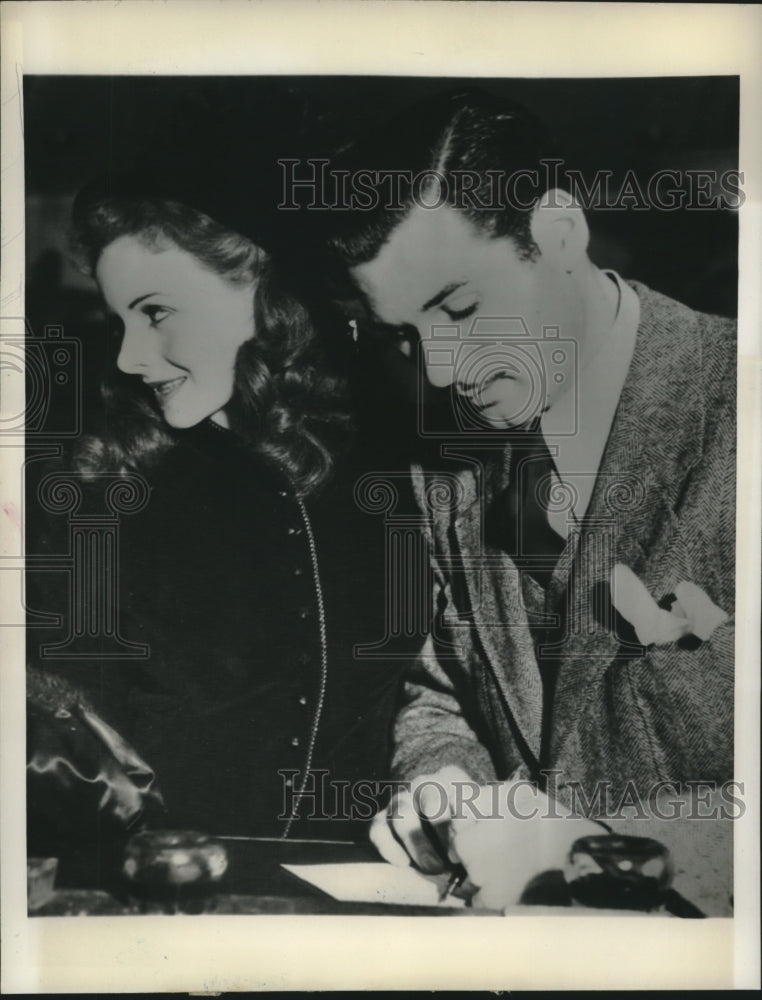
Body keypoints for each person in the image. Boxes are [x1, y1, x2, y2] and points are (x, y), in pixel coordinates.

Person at [317, 88, 736, 914]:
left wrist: (581, 854)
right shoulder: (446, 463)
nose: (439, 372)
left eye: (461, 308)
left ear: (559, 232)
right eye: (404, 334)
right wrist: (444, 784)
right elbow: (443, 686)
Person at [25, 174, 406, 857]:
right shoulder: (100, 490)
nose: (129, 357)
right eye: (120, 322)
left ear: (260, 284)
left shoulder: (392, 453)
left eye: (157, 312)